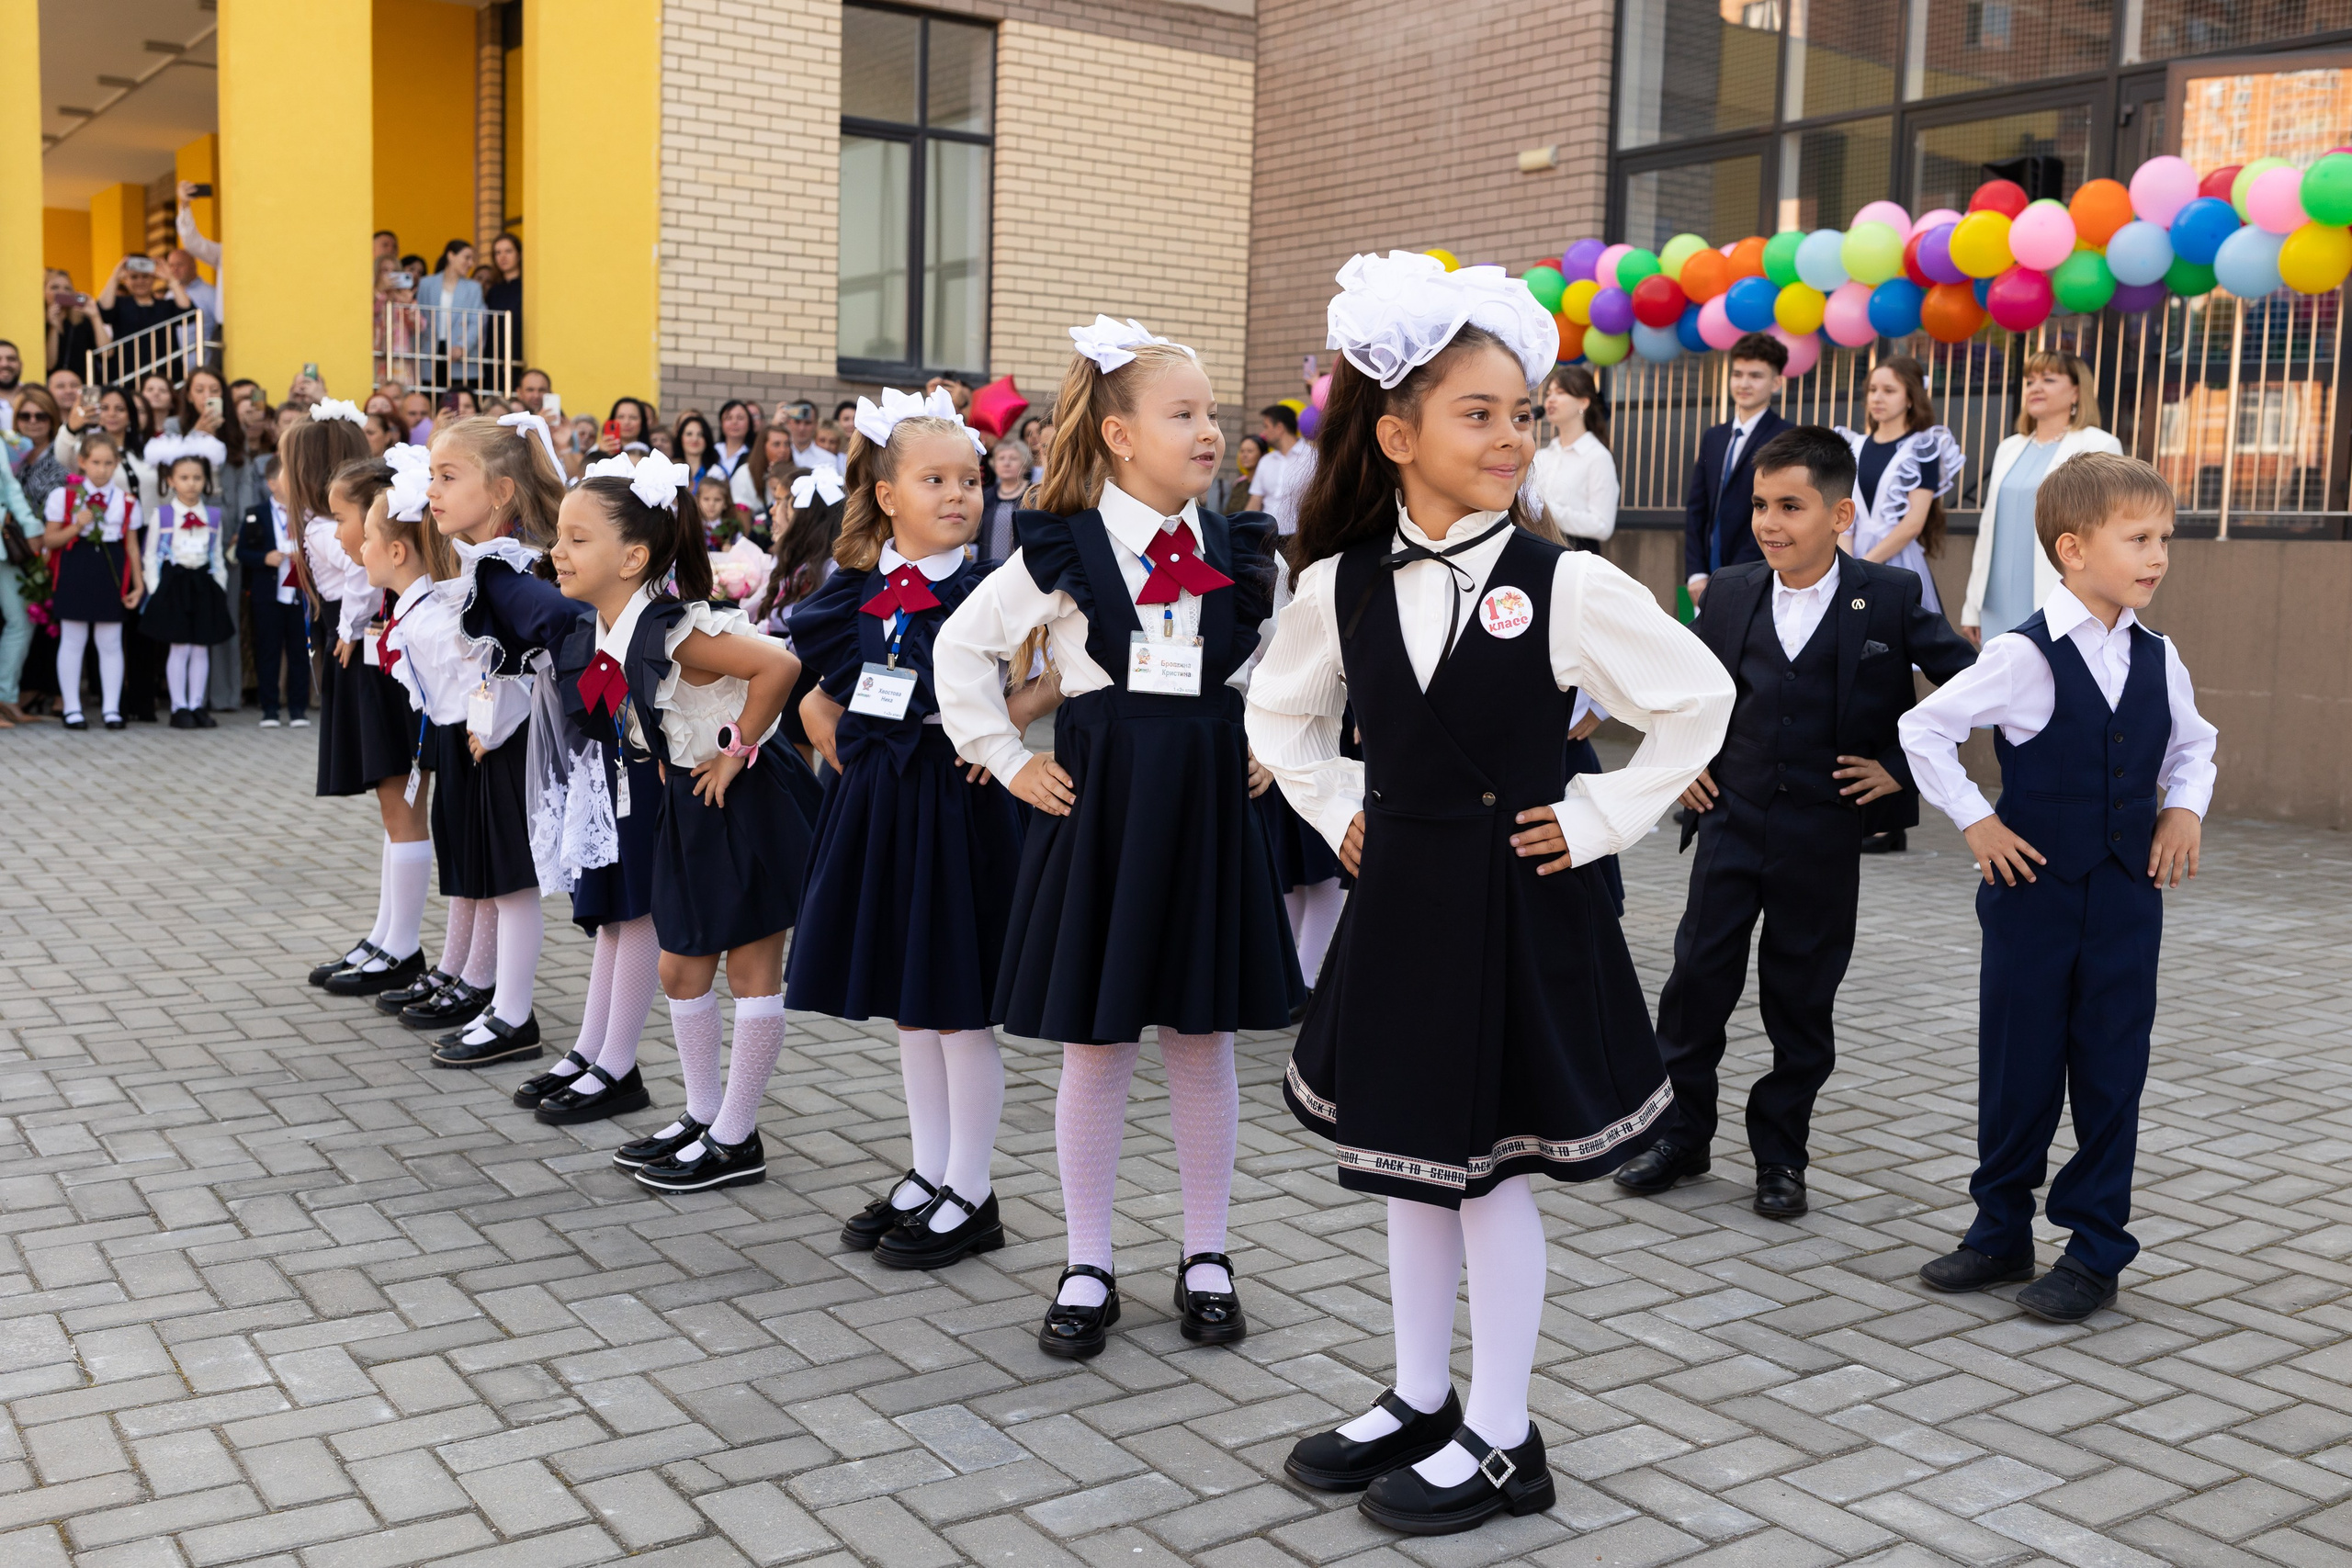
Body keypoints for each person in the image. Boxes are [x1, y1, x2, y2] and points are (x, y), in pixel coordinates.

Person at [1250, 253, 1730, 1537]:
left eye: (1522, 412)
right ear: (1398, 433)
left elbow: (1698, 699)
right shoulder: (1337, 582)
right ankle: (1419, 1391)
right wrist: (1339, 805)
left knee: (1491, 1173)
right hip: (1404, 902)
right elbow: (1279, 714)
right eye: (1480, 412)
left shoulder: (1563, 580)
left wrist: (1594, 813)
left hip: (1517, 903)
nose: (1513, 433)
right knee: (1408, 1160)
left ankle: (1507, 1433)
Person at [936, 316, 1302, 1361]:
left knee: (1202, 1039)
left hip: (1205, 812)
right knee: (1096, 1046)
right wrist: (1010, 761)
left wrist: (1280, 745)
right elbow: (962, 655)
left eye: (1213, 415)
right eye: (1182, 414)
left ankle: (1205, 1255)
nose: (1208, 432)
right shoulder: (1062, 544)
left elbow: (1294, 665)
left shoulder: (1238, 548)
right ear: (1116, 435)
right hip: (1100, 813)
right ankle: (1087, 1259)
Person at [1614, 426, 1975, 1220]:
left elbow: (1975, 685)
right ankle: (1682, 1134)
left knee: (1801, 996)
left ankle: (1781, 1152)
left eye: (1790, 506)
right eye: (1759, 506)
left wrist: (1901, 764)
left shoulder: (1888, 596)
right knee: (1696, 983)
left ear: (1841, 514)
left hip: (1822, 833)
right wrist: (1690, 763)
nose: (1770, 523)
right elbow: (1687, 693)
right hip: (1731, 821)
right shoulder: (1732, 592)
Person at [1901, 452, 2215, 1325]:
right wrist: (1976, 820)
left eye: (2166, 539)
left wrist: (2183, 809)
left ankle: (2096, 1248)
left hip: (2125, 901)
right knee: (2019, 1065)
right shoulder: (2020, 655)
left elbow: (2195, 745)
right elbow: (1924, 728)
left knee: (2113, 1070)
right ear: (2073, 549)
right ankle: (2000, 1228)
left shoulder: (2161, 656)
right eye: (2138, 538)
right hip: (2032, 896)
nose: (2157, 556)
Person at [787, 390, 1041, 1266]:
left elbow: (1056, 673)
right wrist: (822, 721)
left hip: (957, 796)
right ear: (887, 492)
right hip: (881, 802)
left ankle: (972, 1189)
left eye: (969, 480)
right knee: (910, 1002)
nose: (959, 495)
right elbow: (810, 676)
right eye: (934, 479)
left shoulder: (993, 588)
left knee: (956, 1002)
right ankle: (931, 1169)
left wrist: (999, 734)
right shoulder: (856, 586)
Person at [524, 452, 815, 1190]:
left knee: (751, 970)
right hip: (690, 802)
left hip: (743, 798)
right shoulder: (610, 627)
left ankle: (737, 1137)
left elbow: (778, 667)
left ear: (634, 556)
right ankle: (704, 1112)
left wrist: (735, 749)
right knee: (679, 966)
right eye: (560, 535)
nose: (558, 551)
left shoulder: (673, 627)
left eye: (577, 538)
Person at [407, 414, 570, 1064]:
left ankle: (514, 1013)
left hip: (517, 744)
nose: (434, 492)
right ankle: (503, 1005)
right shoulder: (487, 561)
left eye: (449, 476)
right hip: (495, 740)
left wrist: (501, 716)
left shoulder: (513, 567)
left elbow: (559, 640)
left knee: (514, 877)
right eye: (431, 478)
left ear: (500, 491)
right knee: (505, 877)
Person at [1962, 350, 2122, 646]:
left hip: (2058, 594)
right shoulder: (2009, 448)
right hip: (1995, 598)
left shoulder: (2099, 444)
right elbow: (1988, 531)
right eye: (2030, 381)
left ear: (2076, 391)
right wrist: (1972, 605)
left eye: (2048, 379)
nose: (2035, 387)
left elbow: (2106, 528)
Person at [1835, 355, 1960, 618]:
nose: (1878, 398)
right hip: (1850, 556)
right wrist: (1847, 565)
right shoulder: (1852, 445)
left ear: (1910, 398)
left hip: (1897, 559)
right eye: (1872, 390)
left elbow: (1913, 523)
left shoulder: (1922, 448)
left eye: (1889, 391)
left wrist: (1865, 565)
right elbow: (1844, 515)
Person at [39, 429, 142, 729]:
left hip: (109, 569)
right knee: (73, 640)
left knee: (110, 641)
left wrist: (138, 583)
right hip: (76, 566)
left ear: (117, 463)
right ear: (82, 462)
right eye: (96, 462)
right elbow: (50, 538)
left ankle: (112, 709)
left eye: (109, 463)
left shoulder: (126, 501)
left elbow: (132, 546)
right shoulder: (65, 496)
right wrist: (76, 525)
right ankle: (72, 708)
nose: (102, 469)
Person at [1683, 333, 1791, 605]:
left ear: (1776, 383)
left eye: (1755, 376)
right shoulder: (1714, 436)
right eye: (1737, 374)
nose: (1744, 384)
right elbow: (1697, 508)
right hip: (1703, 578)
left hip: (1756, 574)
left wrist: (1732, 575)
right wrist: (1695, 572)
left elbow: (1777, 515)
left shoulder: (1786, 437)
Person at [137, 434, 236, 728]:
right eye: (184, 477)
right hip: (174, 584)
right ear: (170, 480)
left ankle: (197, 705)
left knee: (201, 646)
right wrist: (156, 589)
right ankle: (179, 706)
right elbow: (150, 555)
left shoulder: (214, 515)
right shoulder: (163, 514)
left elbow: (217, 555)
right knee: (179, 646)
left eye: (196, 477)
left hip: (203, 584)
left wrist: (218, 584)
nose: (191, 483)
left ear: (206, 480)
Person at [237, 456, 310, 727]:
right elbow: (242, 551)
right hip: (268, 593)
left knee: (299, 651)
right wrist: (264, 558)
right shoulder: (255, 514)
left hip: (298, 594)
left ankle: (298, 709)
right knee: (268, 649)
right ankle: (269, 708)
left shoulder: (306, 513)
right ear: (271, 484)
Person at [1527, 366, 1616, 549]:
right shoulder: (1541, 456)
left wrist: (1546, 512)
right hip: (1537, 551)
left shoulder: (1597, 457)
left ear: (1583, 402)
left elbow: (1603, 526)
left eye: (1560, 393)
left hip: (1576, 555)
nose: (1550, 400)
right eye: (1549, 393)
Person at [417, 241, 486, 391]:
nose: (470, 263)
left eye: (472, 259)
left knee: (459, 400)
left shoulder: (473, 288)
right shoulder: (426, 284)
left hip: (459, 352)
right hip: (430, 349)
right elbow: (419, 316)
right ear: (451, 255)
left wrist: (463, 347)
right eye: (467, 257)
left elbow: (478, 321)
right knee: (431, 395)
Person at [96, 254, 193, 352]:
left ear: (153, 278)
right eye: (134, 277)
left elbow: (189, 313)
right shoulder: (119, 305)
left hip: (165, 366)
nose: (140, 281)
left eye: (145, 276)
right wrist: (114, 277)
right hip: (128, 366)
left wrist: (171, 279)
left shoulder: (166, 306)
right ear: (125, 280)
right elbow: (103, 310)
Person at [1247, 403, 1314, 536]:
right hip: (1266, 537)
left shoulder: (1312, 458)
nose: (1263, 433)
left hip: (1298, 537)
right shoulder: (1266, 461)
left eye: (1266, 426)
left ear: (1279, 428)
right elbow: (1255, 501)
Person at [43, 271, 109, 378]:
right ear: (43, 292)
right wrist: (53, 326)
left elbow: (107, 353)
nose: (61, 292)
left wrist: (95, 316)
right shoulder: (38, 324)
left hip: (82, 383)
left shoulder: (82, 320)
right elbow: (49, 365)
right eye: (54, 287)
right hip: (53, 385)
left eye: (67, 289)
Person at [978, 436, 1029, 563]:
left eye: (1013, 458)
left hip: (1023, 568)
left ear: (1025, 464)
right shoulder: (985, 494)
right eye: (1001, 458)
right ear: (994, 465)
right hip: (987, 568)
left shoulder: (1032, 494)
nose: (1006, 463)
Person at [483, 232, 524, 360]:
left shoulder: (528, 287)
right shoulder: (494, 291)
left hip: (520, 356)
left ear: (519, 255)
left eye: (508, 251)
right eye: (498, 253)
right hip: (495, 359)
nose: (503, 257)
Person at [675, 412, 717, 488]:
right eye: (689, 434)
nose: (694, 439)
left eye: (700, 434)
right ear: (680, 438)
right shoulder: (672, 470)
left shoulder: (717, 473)